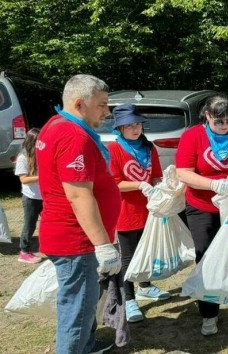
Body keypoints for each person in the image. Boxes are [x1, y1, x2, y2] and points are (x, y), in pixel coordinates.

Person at [36, 74, 121, 353]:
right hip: (77, 239)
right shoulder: (73, 135)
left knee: (83, 301)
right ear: (79, 103)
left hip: (71, 234)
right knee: (78, 308)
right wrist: (103, 245)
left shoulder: (57, 124)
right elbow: (77, 194)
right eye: (102, 105)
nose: (107, 112)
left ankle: (86, 345)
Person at [175, 95, 228, 336]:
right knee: (207, 258)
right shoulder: (192, 136)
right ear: (207, 117)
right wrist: (213, 185)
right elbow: (183, 172)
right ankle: (209, 313)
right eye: (219, 121)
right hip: (203, 206)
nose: (224, 126)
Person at [108, 103, 170, 323]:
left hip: (149, 209)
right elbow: (114, 183)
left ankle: (145, 286)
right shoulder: (113, 150)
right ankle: (129, 298)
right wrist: (139, 185)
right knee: (128, 257)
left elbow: (156, 176)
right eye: (129, 125)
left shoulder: (149, 147)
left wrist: (163, 187)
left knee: (147, 252)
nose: (135, 129)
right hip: (125, 212)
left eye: (138, 124)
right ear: (120, 128)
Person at [15, 128, 43, 264]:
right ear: (32, 142)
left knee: (49, 221)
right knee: (29, 225)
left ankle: (48, 246)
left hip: (44, 196)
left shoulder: (42, 154)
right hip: (31, 197)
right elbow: (24, 179)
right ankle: (24, 252)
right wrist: (42, 177)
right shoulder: (23, 157)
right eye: (39, 141)